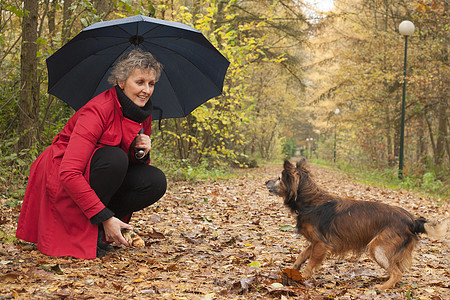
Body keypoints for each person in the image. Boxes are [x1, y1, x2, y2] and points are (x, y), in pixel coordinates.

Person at [16, 48, 167, 259]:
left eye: (151, 84)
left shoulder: (142, 112)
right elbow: (69, 172)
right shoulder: (97, 110)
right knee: (115, 159)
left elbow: (131, 166)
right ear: (122, 82)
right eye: (140, 82)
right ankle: (96, 225)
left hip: (99, 171)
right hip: (60, 171)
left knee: (155, 180)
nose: (147, 90)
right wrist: (105, 217)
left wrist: (140, 151)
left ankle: (99, 232)